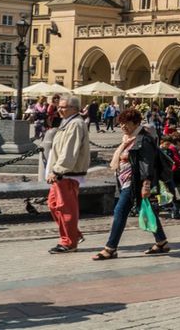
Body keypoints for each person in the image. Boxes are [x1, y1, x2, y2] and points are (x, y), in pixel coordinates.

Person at [93, 108, 170, 260]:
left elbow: (147, 164)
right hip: (126, 181)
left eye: (126, 123)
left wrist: (146, 185)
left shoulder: (144, 139)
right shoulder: (128, 139)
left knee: (119, 212)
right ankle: (161, 242)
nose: (123, 127)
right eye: (120, 123)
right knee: (148, 211)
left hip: (135, 183)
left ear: (135, 123)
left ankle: (110, 248)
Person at [45, 95, 90, 254]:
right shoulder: (67, 122)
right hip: (60, 173)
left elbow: (69, 150)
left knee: (66, 208)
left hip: (67, 174)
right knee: (53, 205)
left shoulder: (76, 124)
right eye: (59, 106)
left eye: (63, 107)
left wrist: (58, 170)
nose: (59, 109)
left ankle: (69, 242)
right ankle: (74, 234)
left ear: (74, 108)